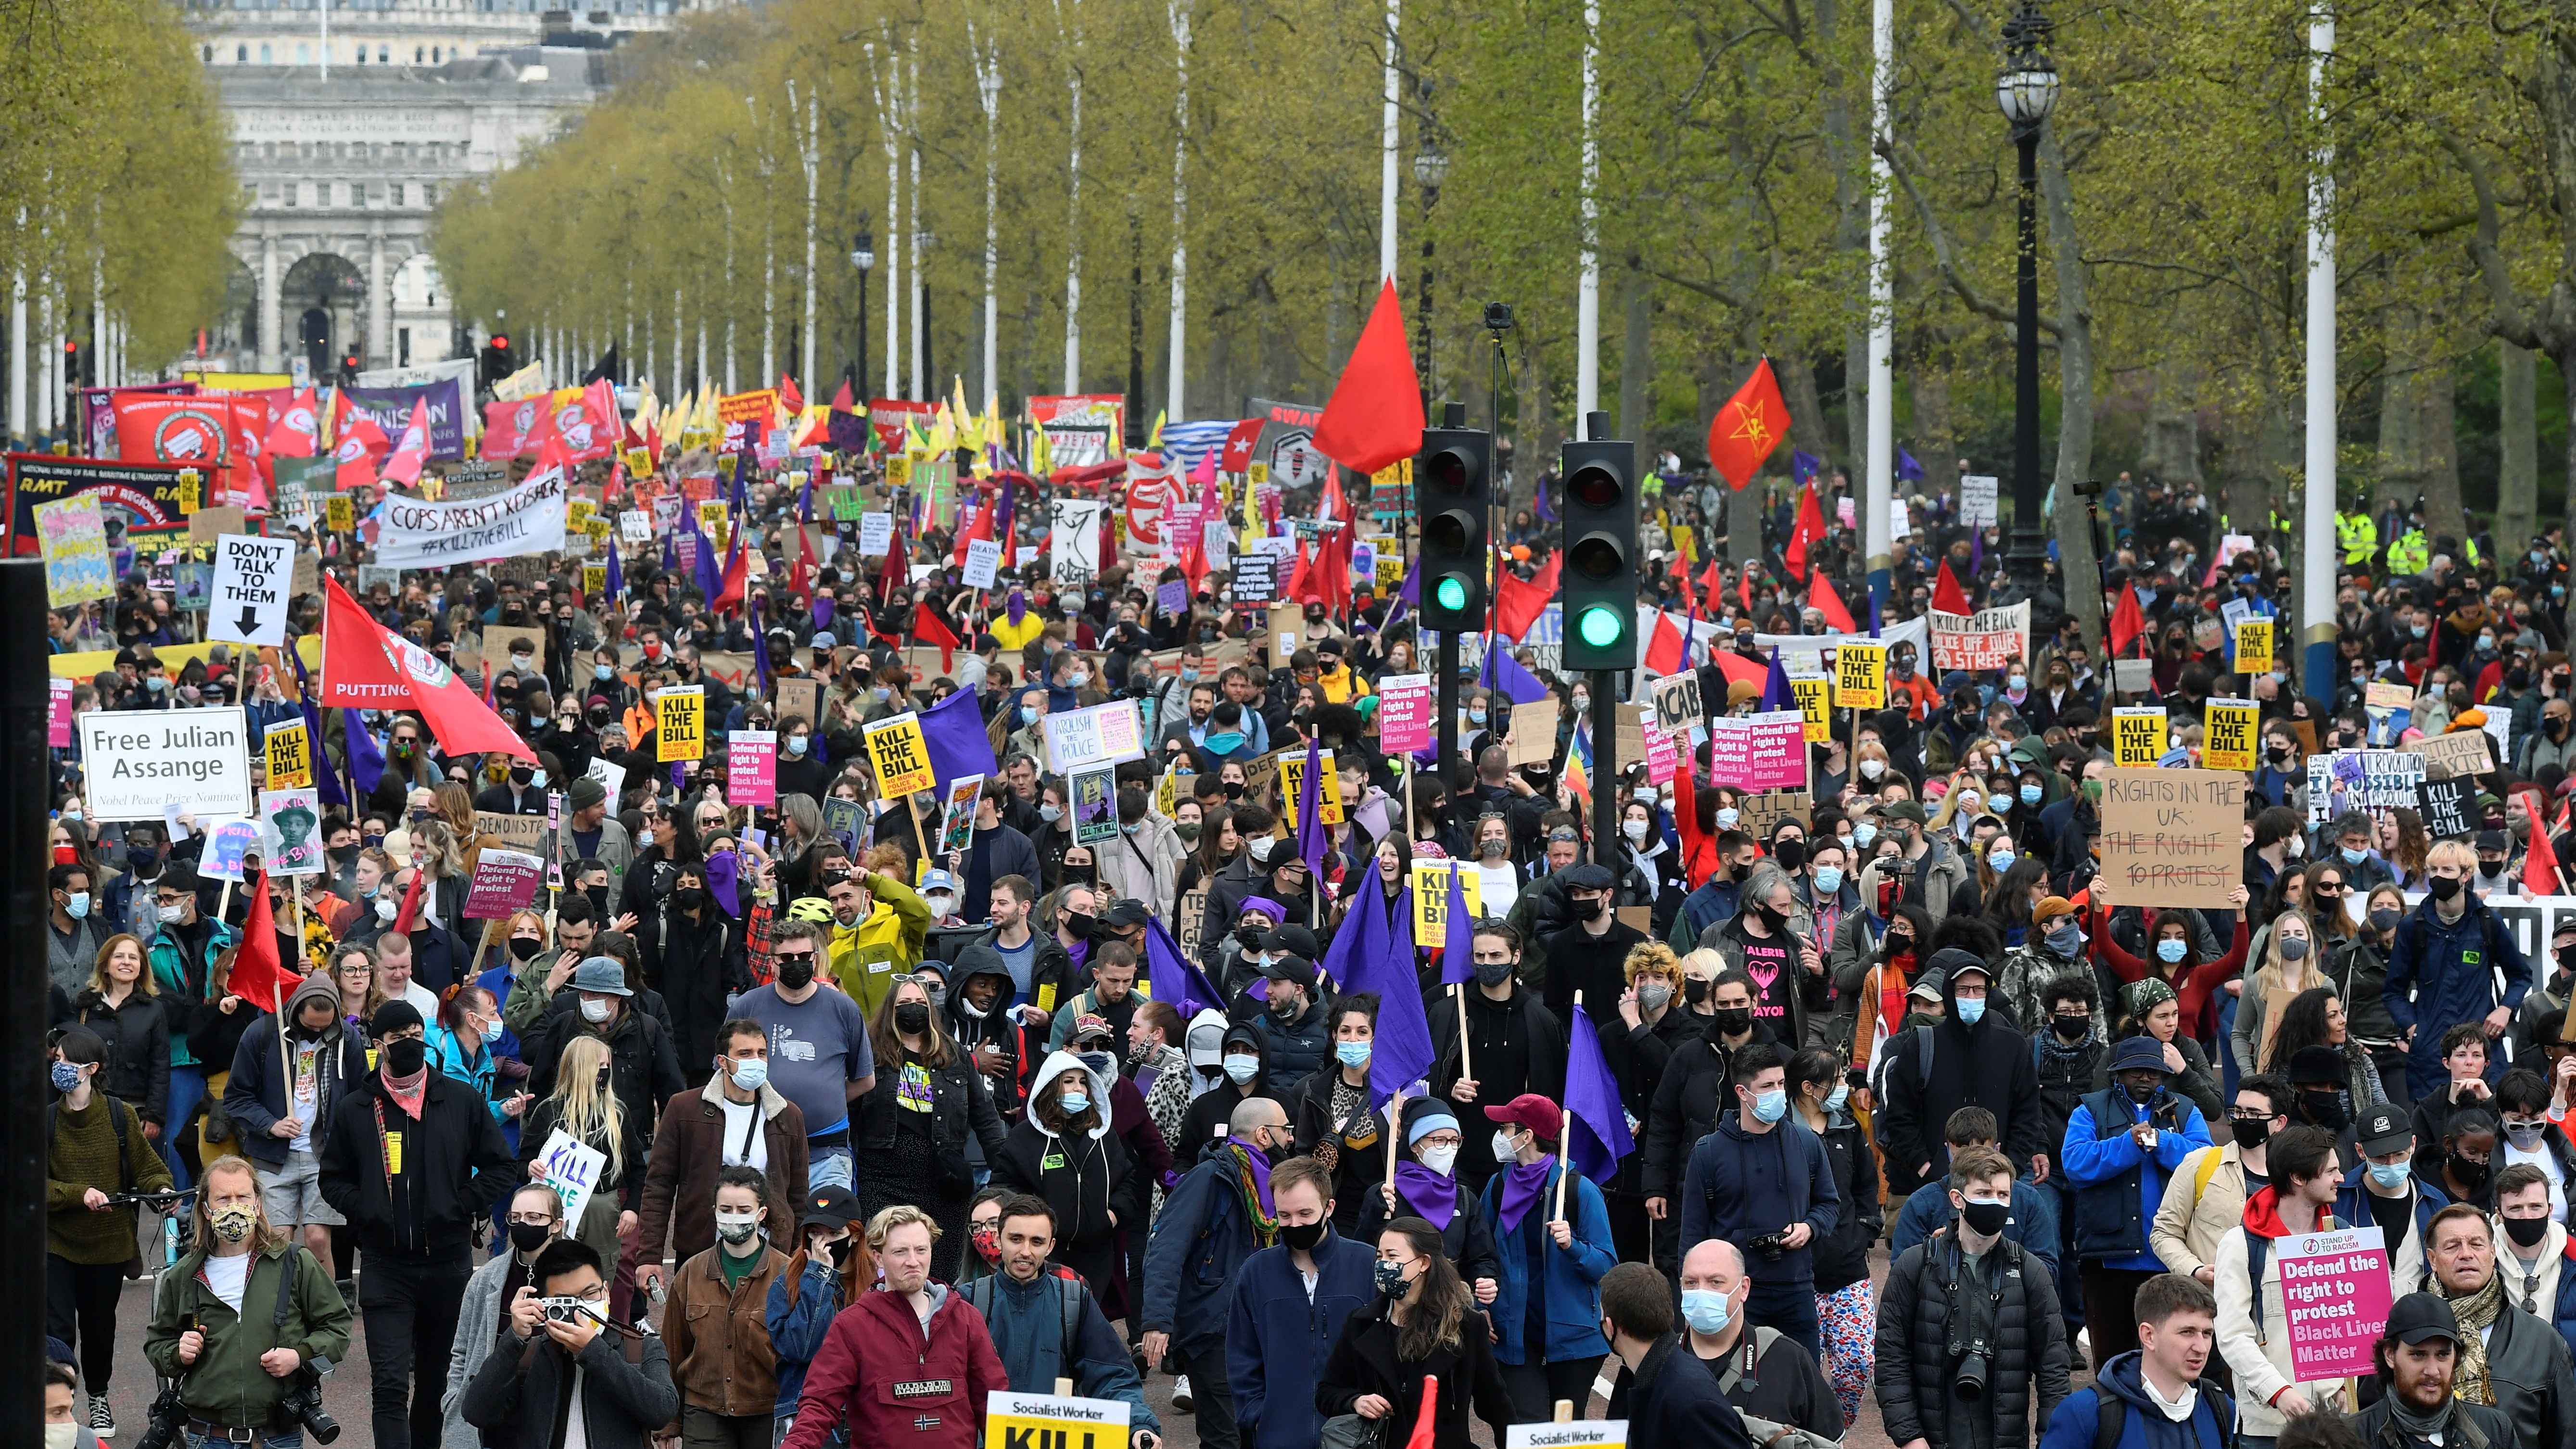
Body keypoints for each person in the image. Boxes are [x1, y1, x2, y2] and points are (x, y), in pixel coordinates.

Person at [318, 1000, 519, 1449]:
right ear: (378, 1045)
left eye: (415, 1032)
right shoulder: (356, 1108)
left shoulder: (460, 1099)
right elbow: (332, 1179)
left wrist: (460, 1203)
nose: (409, 1043)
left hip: (447, 1264)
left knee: (433, 1385)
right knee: (388, 1386)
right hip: (385, 1266)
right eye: (398, 1036)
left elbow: (501, 1168)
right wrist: (366, 1207)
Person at [140, 1155, 355, 1449]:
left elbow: (338, 1326)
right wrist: (178, 1353)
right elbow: (157, 1343)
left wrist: (300, 1355)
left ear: (257, 1203)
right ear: (206, 1208)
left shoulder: (295, 1262)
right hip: (207, 1435)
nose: (234, 1206)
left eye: (242, 1196)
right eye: (223, 1198)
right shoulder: (184, 1274)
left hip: (278, 1435)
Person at [1875, 1145, 2072, 1449]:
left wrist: (2053, 1441)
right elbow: (1891, 1357)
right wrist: (1910, 1437)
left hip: (2004, 1438)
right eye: (1983, 1193)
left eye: (2003, 1195)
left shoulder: (2031, 1271)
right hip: (1931, 1437)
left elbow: (2054, 1367)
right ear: (1958, 1200)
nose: (1995, 1202)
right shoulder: (1916, 1265)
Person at [777, 1204, 1008, 1449]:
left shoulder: (966, 1319)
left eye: (921, 1250)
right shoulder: (852, 1325)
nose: (913, 1261)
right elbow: (820, 1404)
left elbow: (994, 1403)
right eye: (900, 1252)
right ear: (878, 1257)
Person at [1140, 1095, 1296, 1449]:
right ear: (1263, 1135)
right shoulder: (1210, 1178)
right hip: (1212, 1329)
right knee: (1223, 1439)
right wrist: (1157, 1321)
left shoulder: (1274, 1183)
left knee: (1252, 1434)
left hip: (1259, 1329)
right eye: (1285, 1129)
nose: (1291, 1138)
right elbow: (1167, 1247)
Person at [47, 1024, 175, 1437]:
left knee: (100, 1329)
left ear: (91, 1068)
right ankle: (56, 1406)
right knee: (58, 1330)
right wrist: (76, 1193)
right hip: (56, 1244)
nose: (58, 1066)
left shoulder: (121, 1115)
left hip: (108, 1246)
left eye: (66, 1060)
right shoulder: (44, 1120)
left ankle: (99, 1399)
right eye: (57, 1060)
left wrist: (163, 1189)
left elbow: (148, 1168)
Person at [1679, 1041, 1843, 1362]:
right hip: (1736, 1294)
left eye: (1781, 1084)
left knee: (1803, 1386)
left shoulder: (1806, 1143)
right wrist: (1694, 1300)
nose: (1778, 1093)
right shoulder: (1708, 1153)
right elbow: (1692, 1234)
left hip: (1796, 1289)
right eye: (1767, 1086)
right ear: (1742, 1092)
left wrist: (1809, 1228)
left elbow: (1829, 1204)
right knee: (1733, 1388)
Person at [2062, 1033, 2216, 1369]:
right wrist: (2127, 1144)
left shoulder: (2186, 1109)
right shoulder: (2089, 1108)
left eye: (2153, 1071)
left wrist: (2159, 1141)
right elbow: (2075, 1163)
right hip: (2107, 1258)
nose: (2145, 1078)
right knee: (2111, 1362)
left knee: (2168, 1361)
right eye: (2136, 1071)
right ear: (2118, 1073)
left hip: (2168, 1258)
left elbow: (2205, 1160)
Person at [960, 1195, 1161, 1447]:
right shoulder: (968, 1301)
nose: (1025, 1251)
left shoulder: (1074, 1299)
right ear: (1000, 1239)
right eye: (1016, 1239)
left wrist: (1138, 1424)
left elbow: (1112, 1374)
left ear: (1051, 1245)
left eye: (1037, 1242)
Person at [634, 1017, 812, 1301]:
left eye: (761, 1053)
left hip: (770, 1251)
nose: (756, 1061)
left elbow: (799, 1195)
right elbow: (659, 1186)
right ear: (723, 1061)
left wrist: (797, 1255)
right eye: (745, 1054)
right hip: (700, 1248)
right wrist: (650, 1255)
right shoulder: (684, 1109)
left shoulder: (788, 1116)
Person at [850, 972, 1005, 1284]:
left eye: (920, 1003)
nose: (913, 1009)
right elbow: (849, 1113)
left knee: (941, 1278)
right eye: (905, 1003)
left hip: (944, 1185)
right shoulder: (870, 1054)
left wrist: (1006, 1172)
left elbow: (986, 1118)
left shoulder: (954, 1055)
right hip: (884, 1182)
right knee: (889, 1275)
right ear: (891, 1008)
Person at [1314, 1215, 1515, 1449]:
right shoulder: (1361, 1323)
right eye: (1380, 1256)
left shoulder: (1466, 1326)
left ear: (1423, 1263)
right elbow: (1328, 1392)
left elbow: (1495, 1403)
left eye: (1393, 1256)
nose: (1383, 1264)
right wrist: (1356, 1401)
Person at [460, 1238, 682, 1449]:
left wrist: (593, 1351)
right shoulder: (529, 1354)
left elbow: (662, 1412)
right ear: (545, 1304)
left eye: (590, 1294)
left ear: (607, 1292)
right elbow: (476, 1413)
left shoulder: (641, 1348)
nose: (581, 1309)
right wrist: (514, 1338)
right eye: (566, 1302)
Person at [1478, 1091, 1619, 1421]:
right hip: (1513, 1334)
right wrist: (1480, 1307)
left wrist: (1574, 1246)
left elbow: (1607, 1268)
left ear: (1526, 1136)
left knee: (1563, 1433)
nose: (1499, 1135)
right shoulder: (1496, 1187)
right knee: (1523, 1426)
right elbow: (1480, 1255)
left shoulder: (1580, 1190)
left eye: (1506, 1128)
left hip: (1573, 1340)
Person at [1222, 1155, 1374, 1449]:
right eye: (1284, 1216)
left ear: (1329, 1208)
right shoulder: (1256, 1271)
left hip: (1353, 1435)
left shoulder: (1366, 1263)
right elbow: (1241, 1354)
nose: (1295, 1224)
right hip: (1277, 1435)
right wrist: (1256, 1414)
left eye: (1305, 1214)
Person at [2215, 1124, 2353, 1442]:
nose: (2340, 1178)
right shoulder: (2240, 1245)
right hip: (2267, 1426)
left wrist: (2348, 1385)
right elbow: (2232, 1336)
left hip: (2335, 1426)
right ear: (2298, 1177)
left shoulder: (2344, 1237)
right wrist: (2279, 1393)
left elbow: (2356, 1325)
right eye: (2330, 1171)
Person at [224, 975, 365, 1283]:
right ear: (295, 1011)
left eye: (324, 1027)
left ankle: (328, 1309)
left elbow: (362, 1097)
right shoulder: (261, 1034)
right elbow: (236, 1097)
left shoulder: (348, 1039)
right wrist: (270, 1124)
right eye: (311, 1026)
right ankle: (281, 1311)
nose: (318, 1032)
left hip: (325, 1156)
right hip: (274, 1157)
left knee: (317, 1239)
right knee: (278, 1240)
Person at [1876, 949, 2048, 1193]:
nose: (1972, 996)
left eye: (1979, 989)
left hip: (1996, 1188)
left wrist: (2011, 1169)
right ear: (1949, 992)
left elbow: (2028, 1113)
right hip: (1932, 1187)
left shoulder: (2013, 1046)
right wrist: (1925, 1165)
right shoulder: (1920, 1045)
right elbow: (1900, 1113)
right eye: (1963, 989)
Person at [988, 1050, 1144, 1309]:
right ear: (1051, 1087)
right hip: (1044, 1255)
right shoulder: (1025, 1137)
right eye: (1069, 1081)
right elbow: (1002, 1187)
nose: (1078, 1089)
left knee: (1087, 1330)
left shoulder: (1103, 1136)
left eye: (1083, 1082)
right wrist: (1033, 1221)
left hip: (1097, 1256)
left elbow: (1127, 1181)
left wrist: (1112, 1215)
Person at [727, 919, 874, 1191]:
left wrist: (826, 1096)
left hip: (828, 1151)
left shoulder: (844, 1008)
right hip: (761, 1150)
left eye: (804, 957)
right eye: (786, 957)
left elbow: (865, 1079)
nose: (797, 963)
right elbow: (725, 1072)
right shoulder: (747, 1006)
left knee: (830, 1231)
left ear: (815, 958)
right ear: (772, 962)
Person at [2421, 1200, 2576, 1449]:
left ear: (2492, 1253)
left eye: (2476, 1244)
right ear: (2433, 1259)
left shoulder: (2542, 1341)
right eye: (2452, 1246)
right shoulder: (2406, 1337)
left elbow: (2566, 1436)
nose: (2466, 1254)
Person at [2385, 839, 2532, 1101]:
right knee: (2435, 1132)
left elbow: (2520, 975)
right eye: (2433, 871)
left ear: (2466, 876)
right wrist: (2412, 1028)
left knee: (2485, 1127)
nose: (2438, 877)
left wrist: (2506, 1009)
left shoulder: (2487, 922)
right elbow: (2394, 991)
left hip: (2483, 1050)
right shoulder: (2412, 926)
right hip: (2430, 1054)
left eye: (2447, 871)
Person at [1425, 919, 1567, 1192]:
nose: (1487, 963)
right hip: (1457, 1159)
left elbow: (1554, 1091)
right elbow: (1423, 1081)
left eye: (1496, 956)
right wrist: (1448, 1088)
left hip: (1520, 1163)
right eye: (1480, 956)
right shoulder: (1447, 1013)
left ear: (1515, 957)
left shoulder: (1541, 1021)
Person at [2035, 1271, 2242, 1449]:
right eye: (2187, 1332)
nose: (2201, 1347)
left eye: (2207, 1333)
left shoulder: (2221, 1408)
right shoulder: (2086, 1413)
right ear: (2149, 1336)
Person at [661, 1165, 791, 1449]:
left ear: (762, 1214)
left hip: (767, 1411)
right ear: (715, 1211)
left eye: (744, 1210)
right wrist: (670, 1422)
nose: (734, 1217)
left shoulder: (788, 1274)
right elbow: (672, 1348)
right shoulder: (690, 1272)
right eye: (726, 1209)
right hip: (704, 1411)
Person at [1675, 1238, 1843, 1441]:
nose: (1702, 1292)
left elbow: (1830, 1440)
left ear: (1744, 1289)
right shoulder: (1660, 1360)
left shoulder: (1788, 1359)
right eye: (1691, 1283)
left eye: (1716, 1282)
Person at [442, 1182, 566, 1449]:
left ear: (556, 1225)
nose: (523, 1224)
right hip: (493, 1417)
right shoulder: (486, 1278)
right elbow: (461, 1350)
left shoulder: (575, 1279)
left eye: (534, 1218)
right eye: (516, 1218)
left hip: (551, 1414)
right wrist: (454, 1399)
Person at [520, 1032, 649, 1284]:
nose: (605, 1072)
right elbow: (522, 1162)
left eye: (607, 1066)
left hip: (604, 1206)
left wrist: (633, 1208)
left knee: (599, 1278)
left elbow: (637, 1168)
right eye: (599, 1066)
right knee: (553, 1274)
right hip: (559, 1207)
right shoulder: (549, 1111)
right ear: (580, 1069)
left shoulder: (617, 1113)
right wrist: (529, 1167)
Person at [1890, 1106, 2064, 1283]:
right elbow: (1901, 1275)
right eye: (1960, 1154)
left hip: (2010, 1305)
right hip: (1942, 1306)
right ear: (1947, 1149)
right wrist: (1931, 1254)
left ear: (1997, 1148)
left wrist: (2004, 1257)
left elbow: (2046, 1270)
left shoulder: (2027, 1200)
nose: (1969, 1163)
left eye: (1979, 1153)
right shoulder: (1922, 1203)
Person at [2152, 1074, 2292, 1289]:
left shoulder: (2296, 1178)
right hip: (2210, 1304)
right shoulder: (2200, 1164)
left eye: (2254, 1114)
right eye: (2237, 1112)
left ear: (2280, 1122)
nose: (2242, 1119)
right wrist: (2194, 1269)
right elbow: (2164, 1232)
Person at [1355, 1098, 1503, 1297]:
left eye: (1454, 1141)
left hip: (1449, 1307)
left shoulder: (1465, 1198)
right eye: (1439, 1140)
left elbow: (1482, 1257)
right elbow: (1362, 1253)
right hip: (1395, 1305)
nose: (1449, 1148)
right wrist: (1375, 1215)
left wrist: (1486, 1279)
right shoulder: (1386, 1194)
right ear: (1415, 1145)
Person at [2345, 1292, 2518, 1449]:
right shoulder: (2351, 1438)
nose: (2433, 1371)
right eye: (2418, 1355)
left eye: (2443, 1355)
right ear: (2390, 1356)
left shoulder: (2495, 1430)